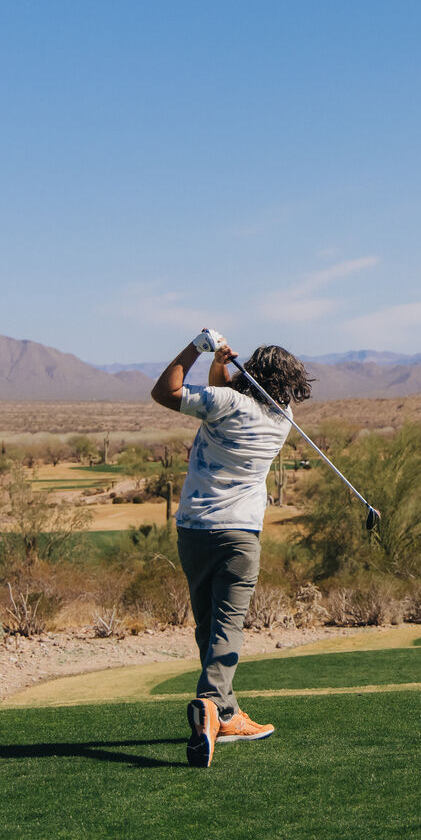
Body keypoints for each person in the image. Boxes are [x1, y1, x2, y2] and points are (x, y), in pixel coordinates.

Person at [151, 328, 314, 768]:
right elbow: (226, 391)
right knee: (227, 625)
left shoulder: (226, 405)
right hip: (240, 535)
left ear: (251, 375)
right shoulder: (284, 419)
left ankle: (224, 713)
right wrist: (223, 362)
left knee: (209, 626)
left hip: (193, 529)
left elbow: (164, 391)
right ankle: (212, 706)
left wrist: (199, 348)